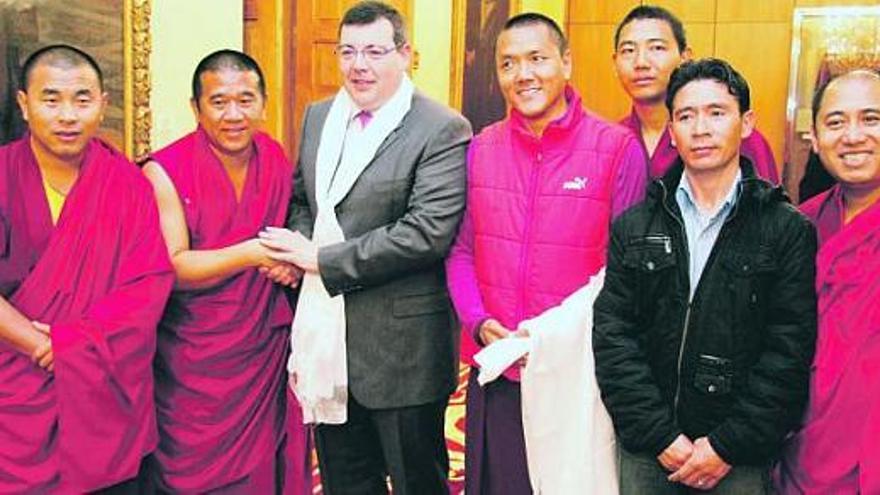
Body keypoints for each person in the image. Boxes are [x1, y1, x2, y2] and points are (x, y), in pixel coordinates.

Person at [258, 2, 471, 493]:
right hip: (327, 342)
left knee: (419, 482)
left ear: (405, 55)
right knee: (345, 481)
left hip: (403, 352)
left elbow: (427, 231)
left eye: (375, 51)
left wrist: (321, 260)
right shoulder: (319, 117)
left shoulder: (441, 128)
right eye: (348, 52)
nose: (359, 65)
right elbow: (302, 199)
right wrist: (300, 248)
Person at [593, 58, 817, 494]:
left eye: (717, 112)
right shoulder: (634, 226)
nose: (701, 128)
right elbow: (614, 335)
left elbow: (788, 350)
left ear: (746, 123)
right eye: (686, 115)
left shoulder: (786, 230)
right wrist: (659, 434)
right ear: (672, 131)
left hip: (739, 457)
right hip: (650, 450)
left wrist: (727, 445)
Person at [446, 12, 647, 494]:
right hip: (497, 364)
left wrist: (557, 337)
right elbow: (460, 252)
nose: (523, 75)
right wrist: (476, 320)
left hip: (576, 373)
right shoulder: (480, 148)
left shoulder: (617, 149)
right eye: (508, 64)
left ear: (566, 63)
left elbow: (627, 273)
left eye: (537, 59)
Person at [0, 44, 173, 493]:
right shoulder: (2, 178)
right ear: (24, 103)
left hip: (103, 393)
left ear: (103, 105)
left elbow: (148, 286)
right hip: (14, 395)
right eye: (51, 99)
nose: (67, 116)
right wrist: (44, 345)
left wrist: (72, 346)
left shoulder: (127, 186)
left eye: (82, 99)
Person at [142, 50, 307, 493]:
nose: (233, 114)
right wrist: (253, 253)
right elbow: (173, 266)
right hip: (192, 354)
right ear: (196, 108)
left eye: (245, 99)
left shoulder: (273, 157)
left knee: (259, 472)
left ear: (264, 104)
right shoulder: (164, 171)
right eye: (218, 102)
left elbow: (293, 226)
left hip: (260, 347)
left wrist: (290, 263)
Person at [776, 69, 880, 494]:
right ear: (815, 140)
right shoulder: (803, 224)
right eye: (836, 122)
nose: (853, 136)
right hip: (807, 446)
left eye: (871, 118)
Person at [613, 5, 778, 182]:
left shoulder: (734, 136)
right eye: (628, 50)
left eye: (657, 48)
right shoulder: (612, 141)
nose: (641, 62)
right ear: (615, 62)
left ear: (685, 57)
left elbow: (768, 205)